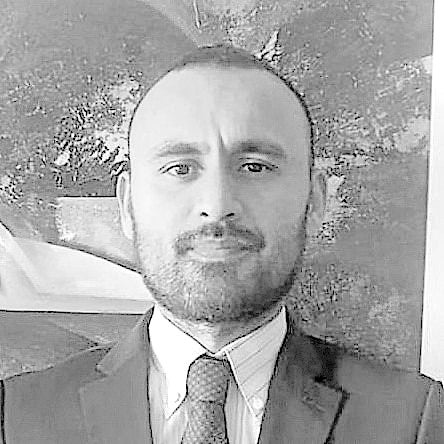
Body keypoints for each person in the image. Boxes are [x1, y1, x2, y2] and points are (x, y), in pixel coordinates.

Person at [1, 44, 442, 444]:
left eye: (255, 167)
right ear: (128, 205)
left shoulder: (414, 422)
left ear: (315, 201)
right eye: (179, 168)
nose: (216, 206)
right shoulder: (14, 418)